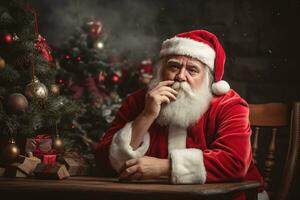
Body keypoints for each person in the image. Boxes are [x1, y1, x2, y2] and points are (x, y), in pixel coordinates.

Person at [95, 30, 267, 200]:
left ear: (207, 78)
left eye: (192, 70)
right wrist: (147, 115)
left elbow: (234, 162)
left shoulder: (229, 105)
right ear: (162, 69)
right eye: (174, 66)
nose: (180, 76)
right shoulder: (138, 101)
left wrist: (165, 167)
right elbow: (104, 162)